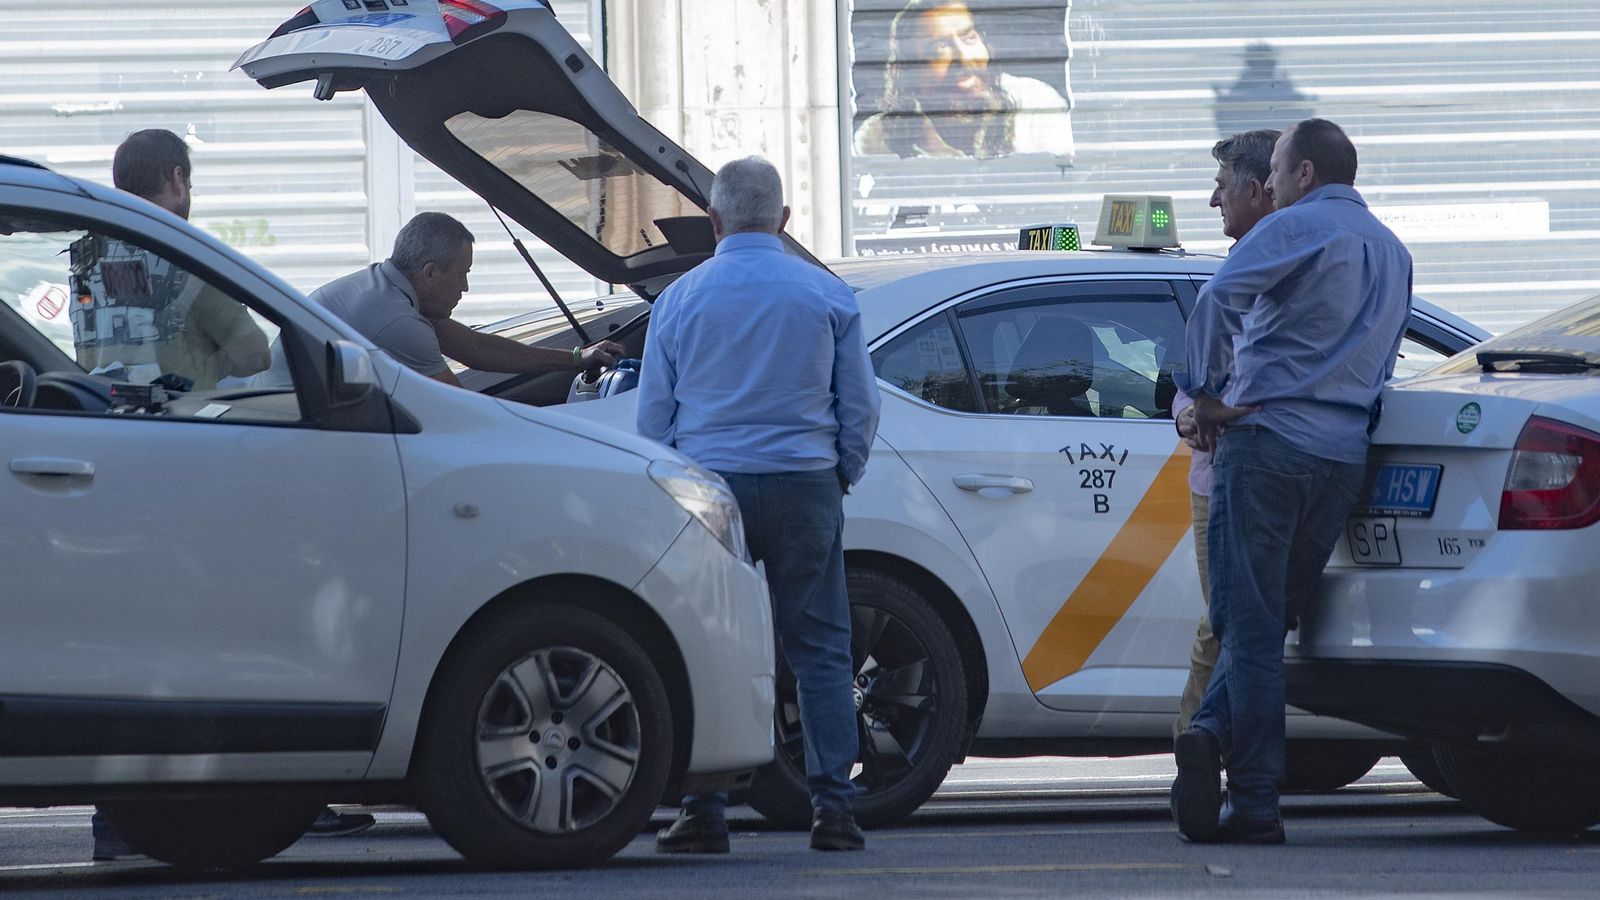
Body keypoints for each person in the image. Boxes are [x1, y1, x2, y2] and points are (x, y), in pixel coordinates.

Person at [1170, 119, 1412, 844]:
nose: (1268, 188)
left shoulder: (1294, 225)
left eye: (1274, 173)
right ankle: (1210, 731)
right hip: (1341, 459)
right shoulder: (1393, 252)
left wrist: (1204, 391)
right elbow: (1386, 360)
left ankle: (1254, 804)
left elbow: (1218, 298)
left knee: (1247, 631)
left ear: (1304, 173)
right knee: (1268, 621)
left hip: (1267, 444)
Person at [637, 157, 880, 853]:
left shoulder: (679, 299)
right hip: (806, 487)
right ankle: (834, 809)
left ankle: (705, 811)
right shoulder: (826, 294)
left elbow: (653, 419)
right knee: (821, 649)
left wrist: (677, 484)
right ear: (785, 219)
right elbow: (860, 405)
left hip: (711, 492)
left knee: (712, 644)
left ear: (713, 220)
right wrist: (840, 474)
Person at [1171, 128, 1281, 738]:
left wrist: (1214, 406)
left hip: (1254, 468)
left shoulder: (1283, 266)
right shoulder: (1233, 271)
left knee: (1230, 623)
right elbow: (1192, 375)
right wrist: (1191, 411)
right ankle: (1200, 748)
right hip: (1215, 475)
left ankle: (1202, 746)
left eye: (1221, 186)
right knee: (1226, 622)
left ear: (1258, 190)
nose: (1214, 200)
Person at [255, 212, 621, 386]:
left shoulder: (387, 288)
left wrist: (577, 358)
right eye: (462, 273)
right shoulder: (397, 321)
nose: (465, 288)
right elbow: (462, 412)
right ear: (430, 272)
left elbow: (477, 348)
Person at [75, 128, 270, 388]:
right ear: (178, 179)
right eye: (189, 186)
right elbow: (255, 356)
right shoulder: (187, 257)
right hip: (177, 412)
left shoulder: (86, 259)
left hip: (102, 409)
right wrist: (205, 365)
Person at [853, 0, 1074, 160]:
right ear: (908, 70)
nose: (964, 58)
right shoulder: (878, 136)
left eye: (969, 38)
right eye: (940, 47)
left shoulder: (1037, 105)